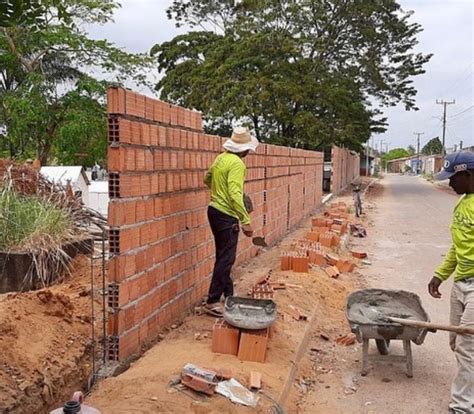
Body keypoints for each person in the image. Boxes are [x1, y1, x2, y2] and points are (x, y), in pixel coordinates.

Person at [428, 151, 474, 414]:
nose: (449, 184)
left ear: (466, 175)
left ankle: (461, 407)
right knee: (457, 343)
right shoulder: (463, 202)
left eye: (452, 179)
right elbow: (458, 247)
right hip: (461, 284)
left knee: (468, 348)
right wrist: (440, 274)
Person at [203, 126, 259, 315]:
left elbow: (207, 178)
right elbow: (235, 193)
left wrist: (218, 193)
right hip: (227, 215)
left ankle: (228, 295)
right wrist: (245, 220)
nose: (248, 153)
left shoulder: (220, 158)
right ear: (242, 149)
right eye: (248, 149)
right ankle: (212, 301)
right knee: (226, 258)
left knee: (223, 256)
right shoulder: (237, 163)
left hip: (213, 211)